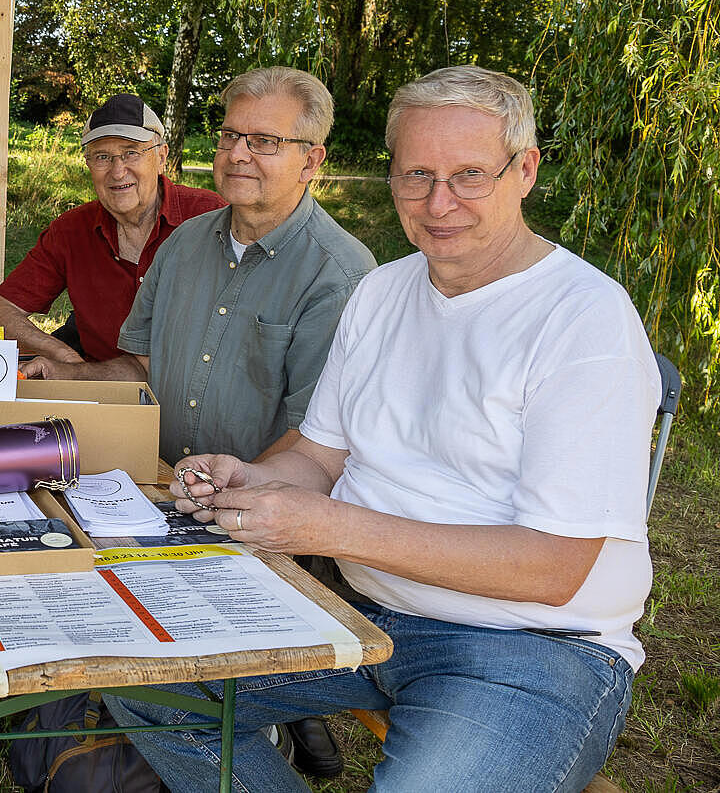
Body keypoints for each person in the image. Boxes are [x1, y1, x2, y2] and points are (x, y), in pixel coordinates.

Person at [110, 65, 659, 793]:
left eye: (469, 175)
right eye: (415, 175)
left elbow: (555, 570)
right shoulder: (382, 291)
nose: (439, 203)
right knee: (146, 686)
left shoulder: (583, 317)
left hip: (535, 648)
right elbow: (318, 451)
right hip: (367, 616)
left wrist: (328, 528)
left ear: (524, 170)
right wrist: (254, 478)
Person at [21, 66, 373, 777]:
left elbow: (318, 440)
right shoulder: (182, 247)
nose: (240, 153)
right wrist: (68, 378)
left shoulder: (340, 274)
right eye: (232, 135)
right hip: (153, 492)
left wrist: (220, 510)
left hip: (254, 521)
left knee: (150, 680)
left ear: (313, 159)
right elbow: (141, 368)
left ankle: (267, 712)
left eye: (266, 141)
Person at [0, 93, 223, 363]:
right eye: (102, 157)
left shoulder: (210, 215)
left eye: (131, 152)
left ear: (161, 157)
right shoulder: (71, 231)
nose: (118, 171)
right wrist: (64, 355)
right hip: (102, 389)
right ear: (88, 164)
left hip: (189, 393)